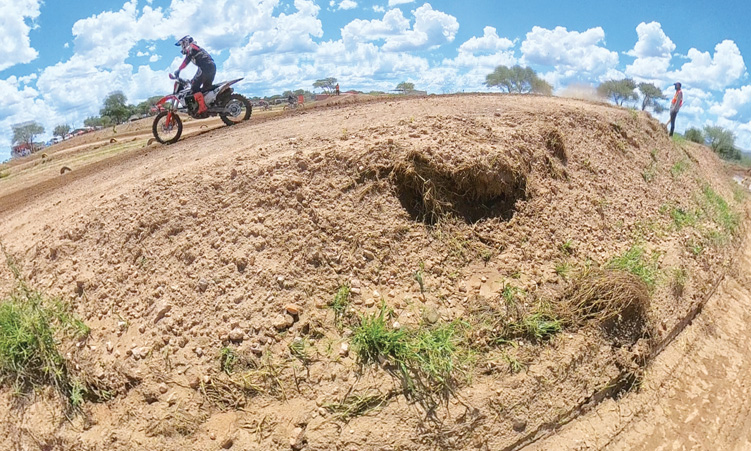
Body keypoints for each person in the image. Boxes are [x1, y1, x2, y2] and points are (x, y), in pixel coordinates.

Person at [173, 35, 216, 115]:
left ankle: (202, 107)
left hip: (205, 67)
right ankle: (210, 107)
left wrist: (179, 70)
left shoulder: (191, 47)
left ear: (185, 42)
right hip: (210, 67)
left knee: (194, 88)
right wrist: (192, 80)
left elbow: (186, 60)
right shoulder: (194, 48)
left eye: (182, 45)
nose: (182, 47)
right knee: (205, 89)